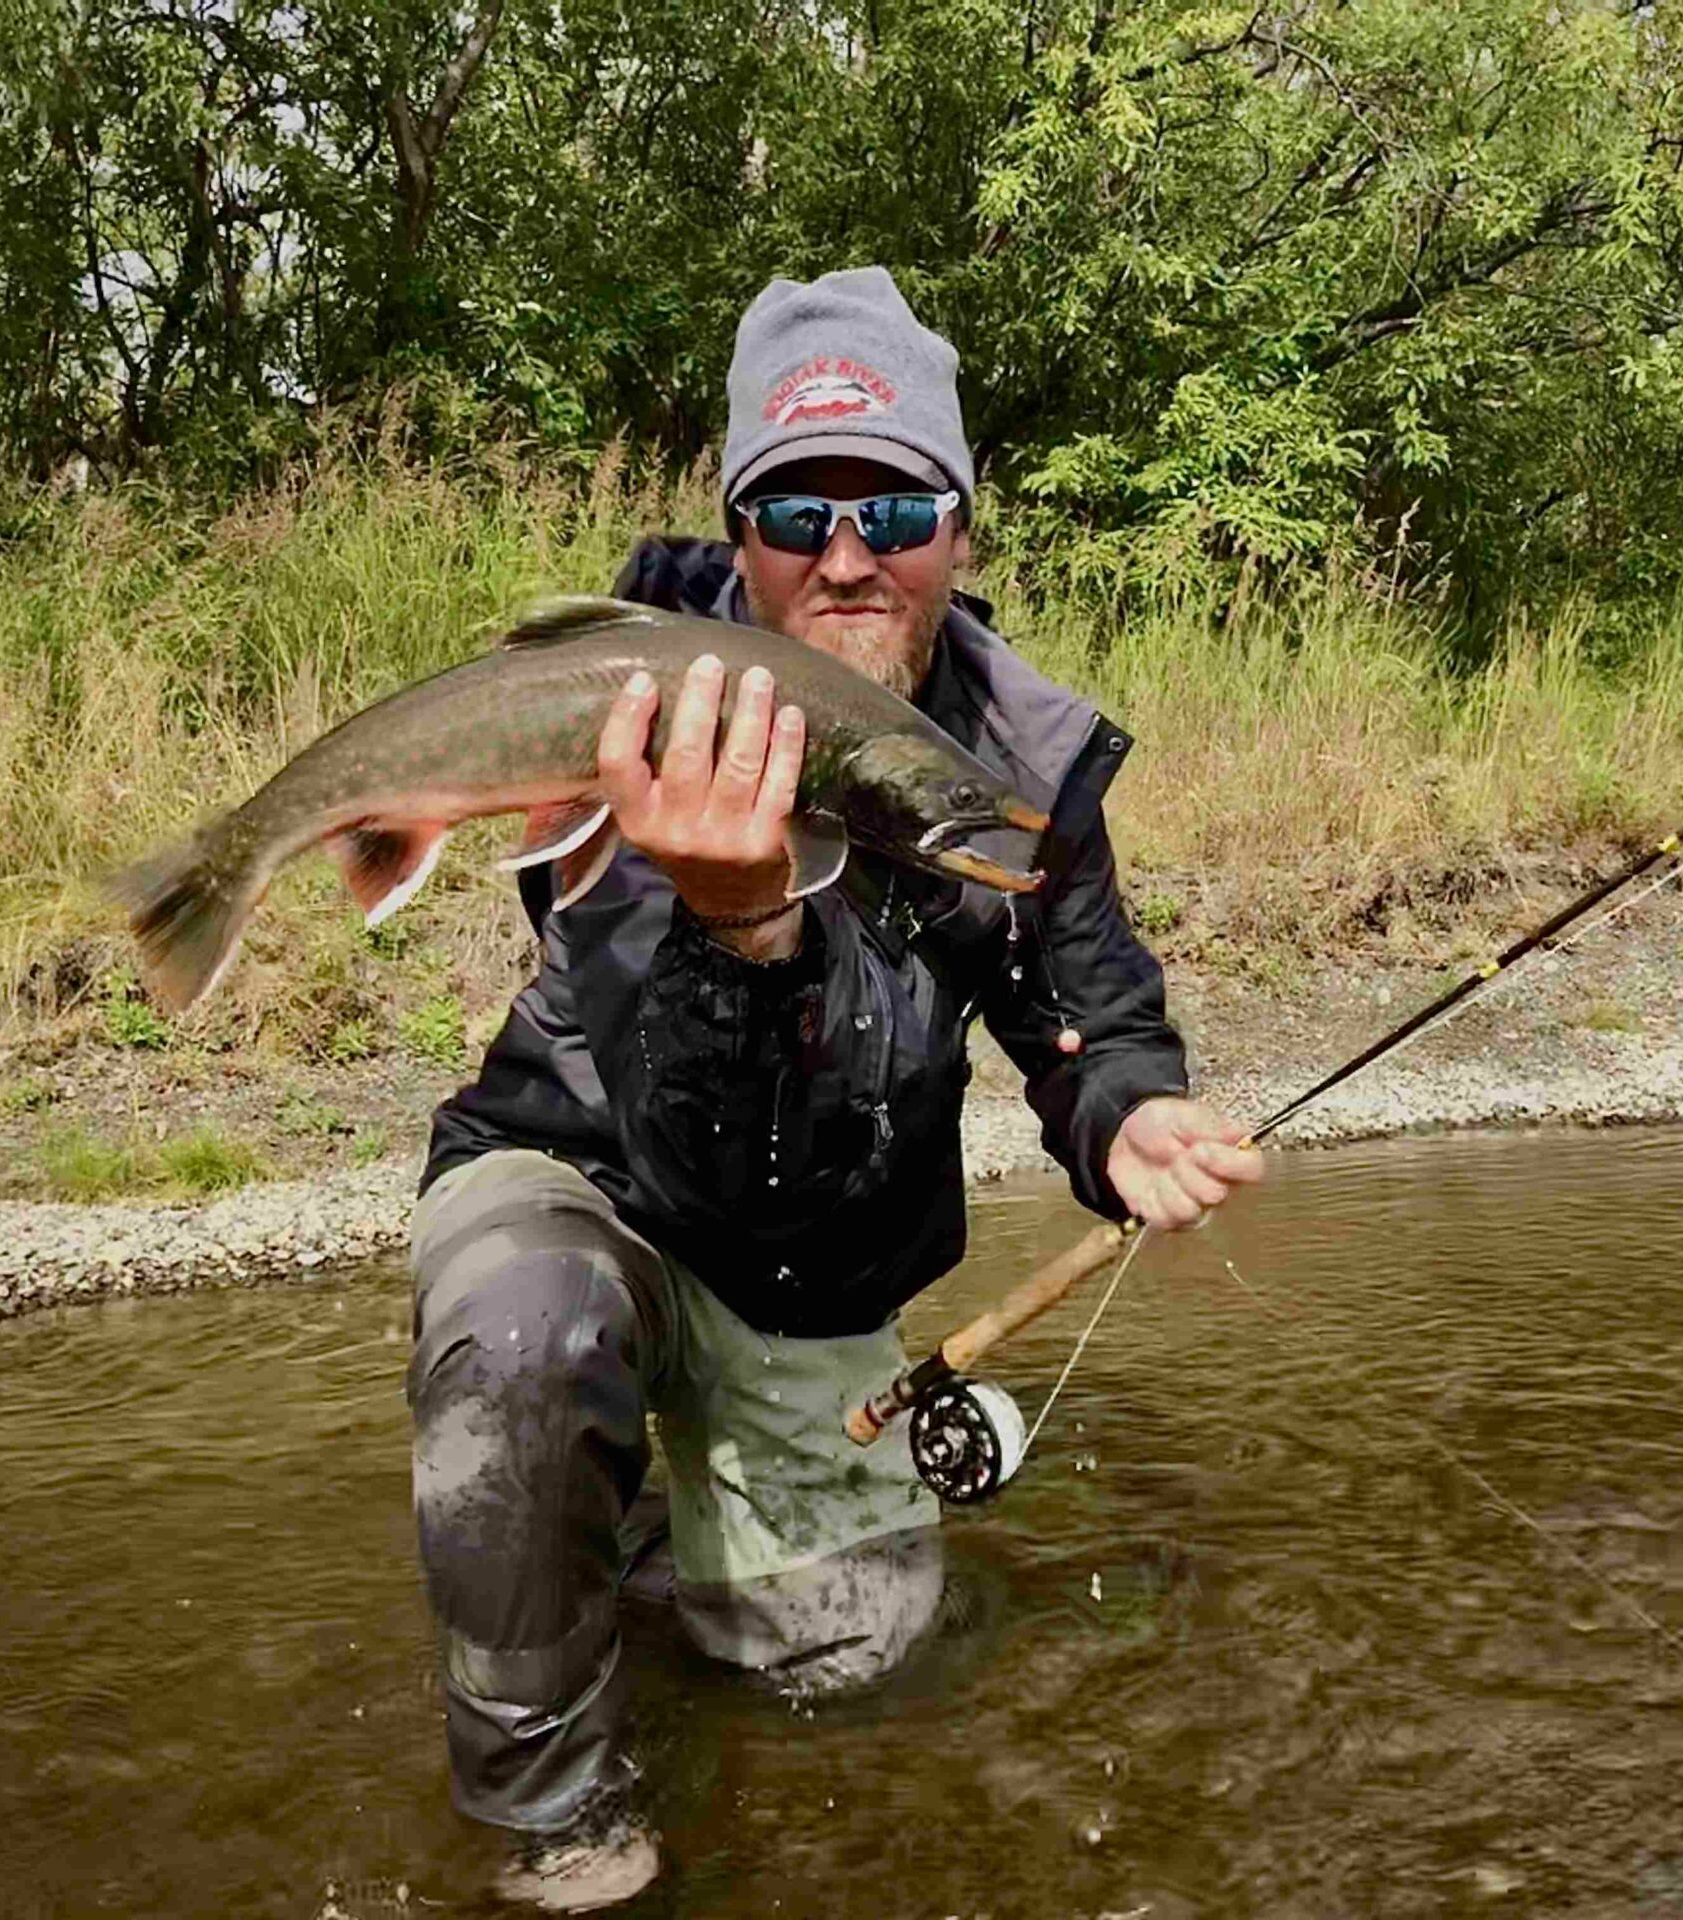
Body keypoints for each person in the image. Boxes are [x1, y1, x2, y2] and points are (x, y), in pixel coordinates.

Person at [408, 266, 1263, 1910]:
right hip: (595, 1186)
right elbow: (683, 1137)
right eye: (797, 507)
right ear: (741, 530)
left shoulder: (1023, 760)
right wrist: (741, 922)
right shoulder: (649, 716)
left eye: (895, 503)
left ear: (962, 525)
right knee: (521, 1331)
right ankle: (550, 1825)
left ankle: (637, 1549)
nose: (848, 552)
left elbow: (1084, 1011)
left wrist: (1126, 1117)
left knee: (849, 1674)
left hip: (812, 1266)